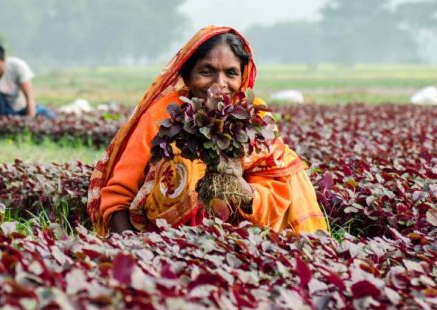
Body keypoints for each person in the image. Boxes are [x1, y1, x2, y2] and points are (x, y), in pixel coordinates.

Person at [87, 26, 328, 236]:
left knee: (289, 171)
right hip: (164, 242)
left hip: (244, 244)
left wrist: (244, 192)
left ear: (242, 76)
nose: (219, 84)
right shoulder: (162, 117)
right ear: (187, 76)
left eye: (231, 73)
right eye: (207, 70)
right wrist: (134, 248)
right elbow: (118, 195)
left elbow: (276, 190)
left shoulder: (255, 119)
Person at [0, 45, 56, 119]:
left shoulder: (17, 66)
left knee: (50, 116)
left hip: (21, 108)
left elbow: (29, 95)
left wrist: (30, 118)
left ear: (4, 61)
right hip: (0, 113)